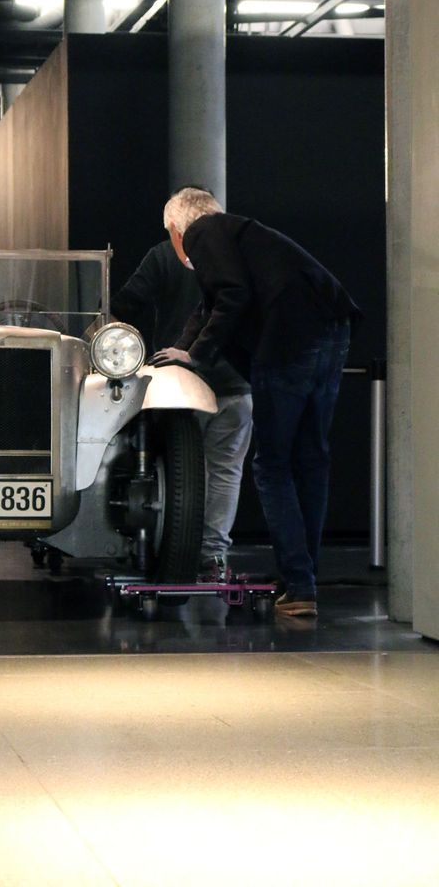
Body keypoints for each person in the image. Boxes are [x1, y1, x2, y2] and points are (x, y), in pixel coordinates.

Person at [153, 187, 359, 618]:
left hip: (288, 341)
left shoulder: (201, 232)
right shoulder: (240, 234)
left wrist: (194, 356)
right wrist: (184, 347)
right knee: (310, 459)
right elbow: (208, 305)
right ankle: (302, 580)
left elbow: (230, 295)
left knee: (271, 466)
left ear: (176, 229)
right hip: (332, 328)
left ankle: (300, 584)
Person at [111, 240, 253, 577]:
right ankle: (212, 555)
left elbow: (121, 308)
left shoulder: (163, 254)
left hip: (178, 387)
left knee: (175, 473)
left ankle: (172, 551)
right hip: (236, 382)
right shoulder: (241, 253)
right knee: (225, 471)